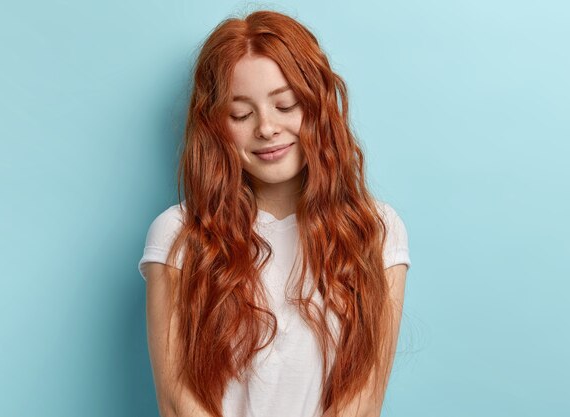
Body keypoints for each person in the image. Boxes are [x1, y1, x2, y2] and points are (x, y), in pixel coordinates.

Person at [138, 9, 411, 417]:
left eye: (285, 105)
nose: (266, 128)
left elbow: (364, 399)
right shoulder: (178, 234)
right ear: (216, 127)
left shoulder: (376, 230)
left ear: (317, 107)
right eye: (242, 114)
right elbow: (177, 402)